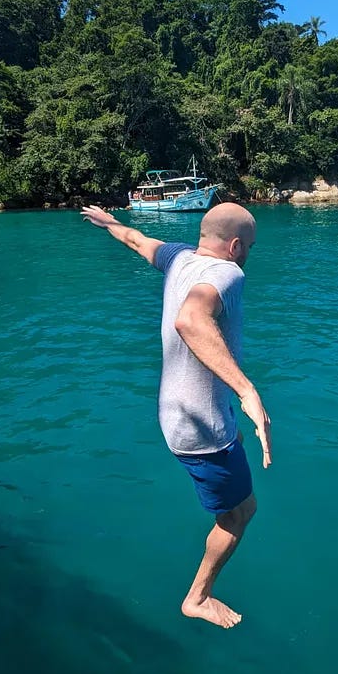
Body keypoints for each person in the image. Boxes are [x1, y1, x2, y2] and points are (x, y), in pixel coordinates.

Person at [80, 201, 272, 629]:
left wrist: (108, 221)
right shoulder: (228, 273)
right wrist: (248, 392)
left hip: (176, 410)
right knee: (241, 513)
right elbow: (191, 319)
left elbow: (136, 238)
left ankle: (231, 434)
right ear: (236, 245)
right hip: (201, 429)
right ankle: (197, 597)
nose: (249, 256)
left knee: (235, 444)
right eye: (251, 248)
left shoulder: (179, 258)